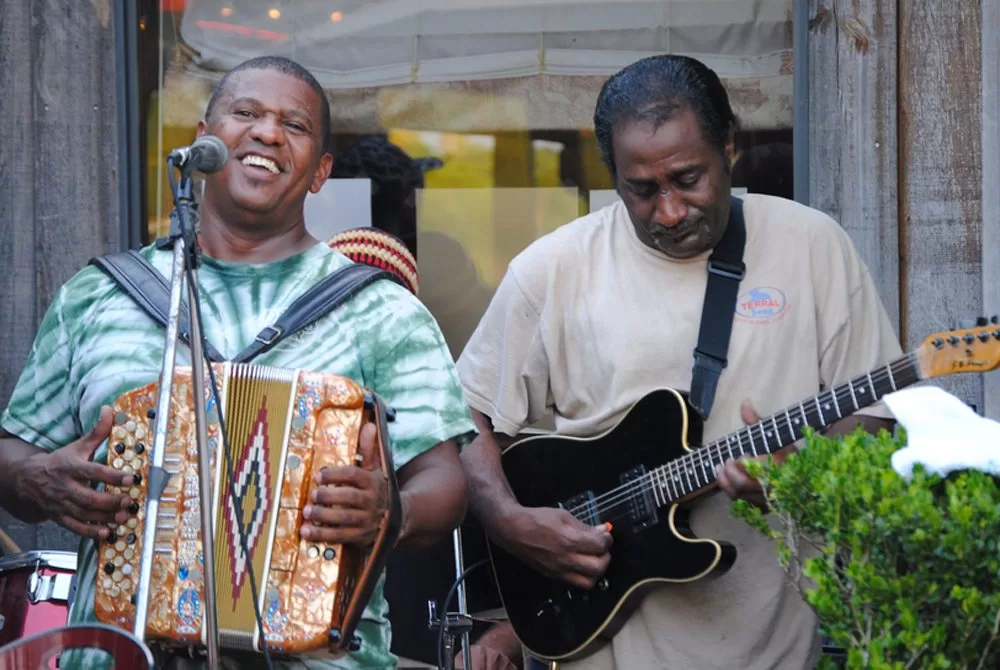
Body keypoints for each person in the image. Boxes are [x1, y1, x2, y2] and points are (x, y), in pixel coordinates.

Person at [0, 56, 475, 669]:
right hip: (121, 655)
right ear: (202, 138)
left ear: (321, 172)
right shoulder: (101, 295)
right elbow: (12, 451)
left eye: (295, 126)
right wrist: (32, 479)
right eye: (246, 113)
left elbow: (446, 482)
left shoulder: (382, 313)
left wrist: (393, 511)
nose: (268, 133)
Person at [455, 54, 901, 669]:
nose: (668, 211)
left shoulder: (812, 245)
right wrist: (510, 523)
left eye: (689, 179)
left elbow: (873, 421)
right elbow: (459, 421)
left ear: (728, 147)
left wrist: (802, 473)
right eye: (641, 190)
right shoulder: (552, 270)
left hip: (770, 648)